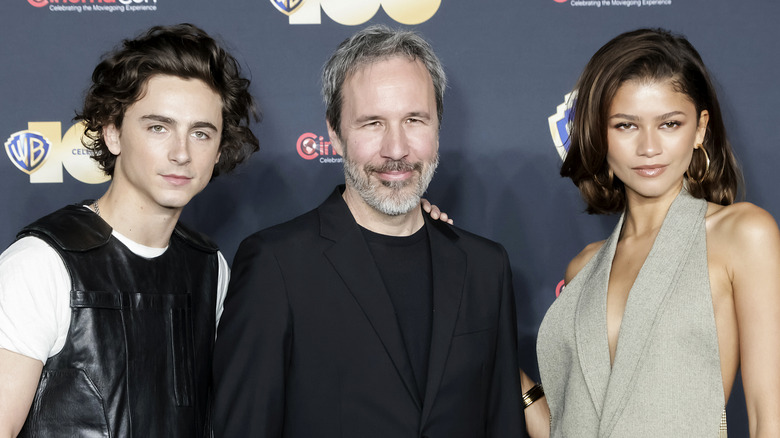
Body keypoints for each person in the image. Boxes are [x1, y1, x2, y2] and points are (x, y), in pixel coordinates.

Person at [213, 24, 527, 438]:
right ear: (334, 134)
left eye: (414, 119)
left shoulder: (487, 268)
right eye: (372, 123)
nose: (396, 150)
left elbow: (503, 424)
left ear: (437, 128)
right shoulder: (276, 266)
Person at [0, 23, 259, 437]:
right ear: (113, 132)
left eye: (200, 133)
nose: (181, 153)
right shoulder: (39, 264)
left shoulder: (210, 267)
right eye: (158, 127)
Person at [537, 28, 780, 436]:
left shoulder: (742, 234)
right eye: (626, 126)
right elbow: (566, 426)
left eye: (669, 123)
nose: (649, 147)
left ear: (700, 128)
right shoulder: (584, 267)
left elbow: (767, 417)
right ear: (599, 132)